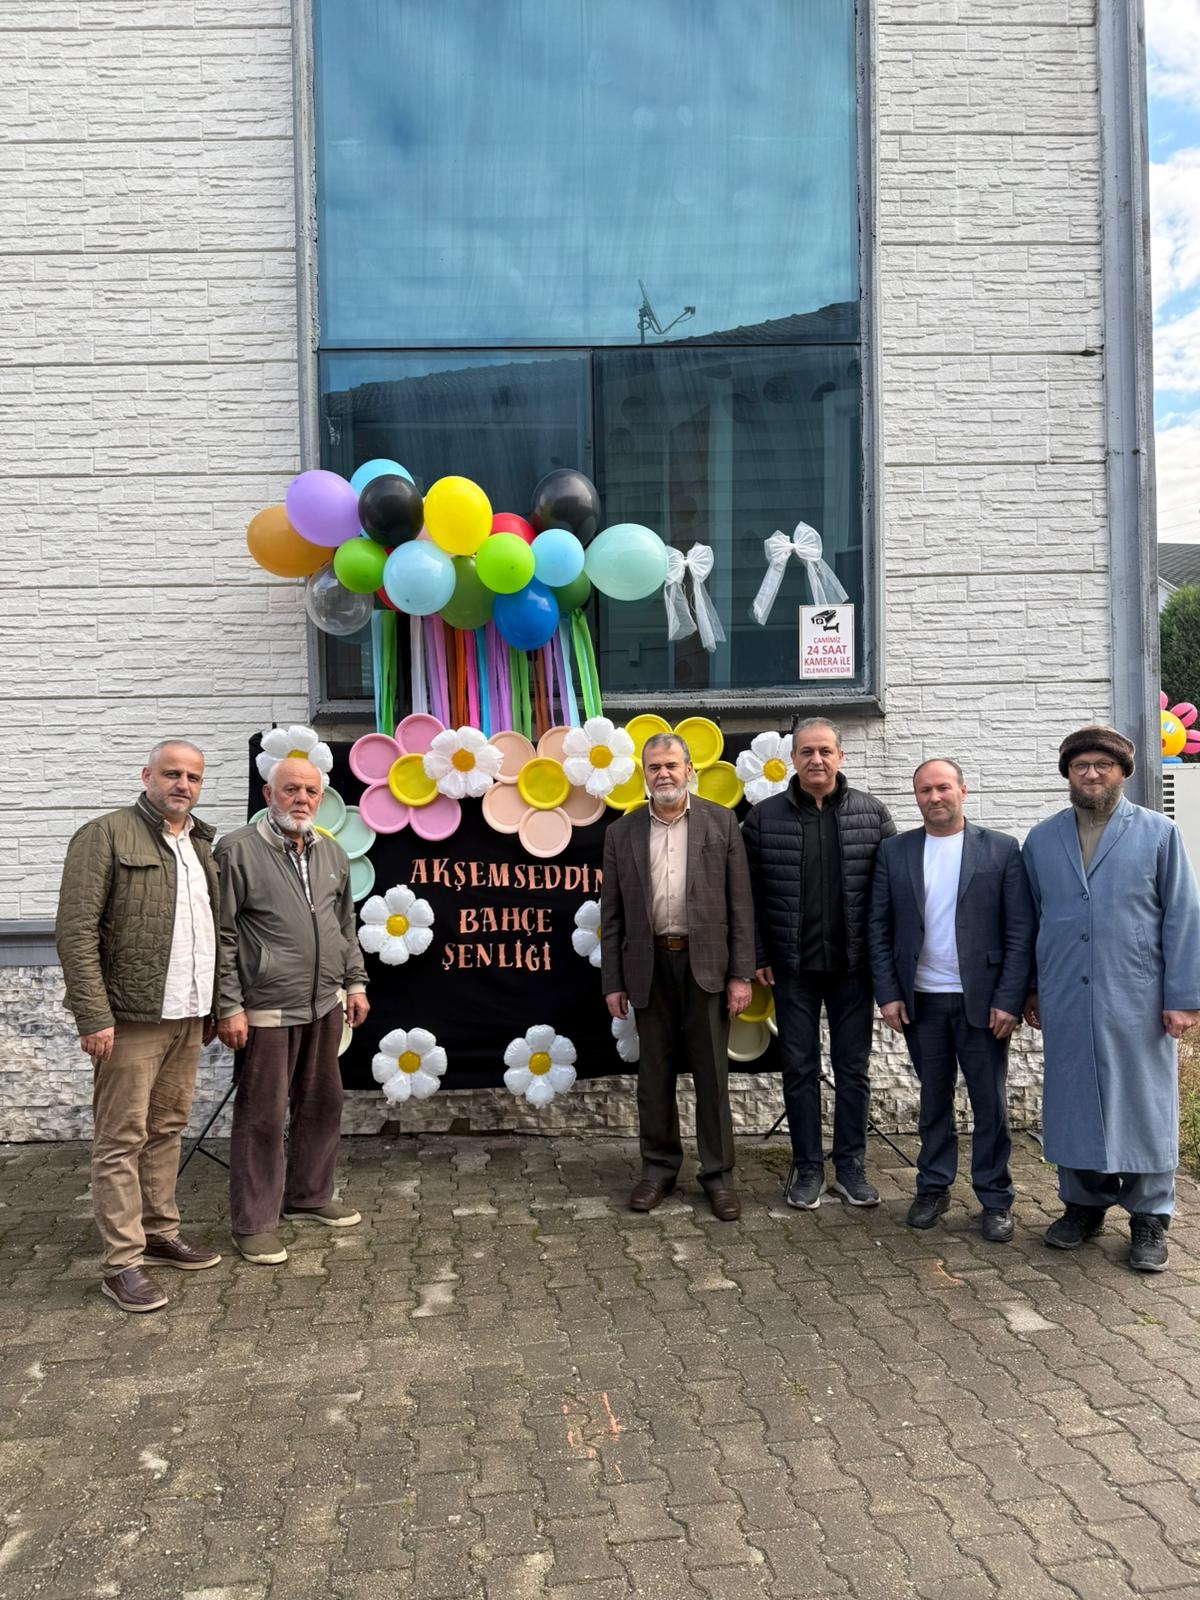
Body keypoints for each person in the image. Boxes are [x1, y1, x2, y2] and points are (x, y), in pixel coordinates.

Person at [1022, 726, 1200, 1273]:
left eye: (1103, 764)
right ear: (1068, 775)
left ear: (1123, 772)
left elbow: (1183, 916)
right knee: (1074, 1100)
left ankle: (1150, 1216)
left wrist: (1184, 997)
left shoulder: (1158, 833)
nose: (1092, 773)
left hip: (1137, 995)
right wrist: (1032, 987)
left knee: (1143, 1103)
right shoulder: (1042, 840)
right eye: (1081, 766)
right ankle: (1084, 1204)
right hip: (1066, 994)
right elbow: (1032, 920)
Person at [55, 740, 222, 1313]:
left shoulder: (200, 844)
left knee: (167, 1128)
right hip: (130, 1018)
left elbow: (211, 931)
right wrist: (93, 1015)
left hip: (187, 1013)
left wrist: (213, 1005)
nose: (183, 785)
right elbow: (75, 931)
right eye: (172, 773)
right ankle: (121, 1264)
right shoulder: (104, 835)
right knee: (120, 1139)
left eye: (193, 777)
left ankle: (159, 1232)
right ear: (146, 775)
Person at [868, 759, 1035, 1240]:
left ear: (963, 790)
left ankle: (995, 1198)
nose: (934, 797)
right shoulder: (894, 851)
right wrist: (888, 993)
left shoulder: (1001, 849)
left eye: (943, 787)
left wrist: (1009, 999)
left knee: (990, 1104)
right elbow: (878, 927)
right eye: (925, 790)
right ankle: (933, 1187)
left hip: (982, 1002)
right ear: (916, 797)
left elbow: (1020, 930)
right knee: (933, 1101)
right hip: (922, 1001)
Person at [215, 757, 369, 1265]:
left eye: (310, 791)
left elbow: (344, 926)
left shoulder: (332, 852)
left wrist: (354, 982)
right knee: (261, 1115)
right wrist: (229, 1005)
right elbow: (222, 935)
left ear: (321, 798)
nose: (301, 799)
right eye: (290, 789)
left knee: (323, 1103)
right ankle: (254, 1223)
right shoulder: (237, 850)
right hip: (266, 1009)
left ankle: (308, 1195)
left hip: (324, 1003)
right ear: (268, 794)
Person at [741, 718, 895, 1209]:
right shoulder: (762, 819)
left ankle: (850, 1166)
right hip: (792, 969)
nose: (816, 760)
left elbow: (890, 895)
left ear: (840, 757)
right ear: (793, 759)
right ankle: (808, 1166)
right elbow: (747, 895)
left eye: (825, 751)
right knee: (799, 1069)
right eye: (806, 751)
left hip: (853, 968)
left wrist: (884, 961)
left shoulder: (872, 814)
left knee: (854, 1070)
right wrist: (759, 954)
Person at [601, 733, 755, 1220]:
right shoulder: (621, 833)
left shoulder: (722, 822)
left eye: (671, 765)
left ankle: (719, 1177)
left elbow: (741, 905)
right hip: (648, 967)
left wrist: (741, 975)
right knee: (654, 1077)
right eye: (654, 767)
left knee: (712, 1075)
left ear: (690, 769)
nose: (663, 773)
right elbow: (612, 914)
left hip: (706, 966)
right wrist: (613, 980)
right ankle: (658, 1171)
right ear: (644, 774)